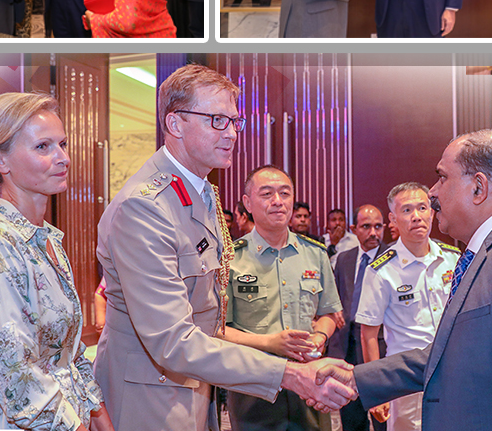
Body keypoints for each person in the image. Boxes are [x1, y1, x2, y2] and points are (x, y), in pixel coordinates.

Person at [94, 64, 355, 431]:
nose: (232, 134)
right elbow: (174, 342)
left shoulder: (200, 194)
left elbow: (209, 320)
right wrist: (289, 374)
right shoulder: (145, 207)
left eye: (235, 121)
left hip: (196, 392)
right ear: (176, 124)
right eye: (217, 120)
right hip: (151, 400)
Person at [318, 130, 492, 430]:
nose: (432, 192)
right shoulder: (485, 253)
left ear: (478, 188)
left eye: (442, 177)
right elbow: (447, 354)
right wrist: (357, 378)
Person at [0, 92, 113, 431]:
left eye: (63, 144)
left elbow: (69, 359)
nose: (63, 158)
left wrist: (100, 420)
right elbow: (17, 381)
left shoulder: (48, 240)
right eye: (43, 147)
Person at [224, 166, 342, 431]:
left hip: (310, 386)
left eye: (284, 193)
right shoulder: (231, 258)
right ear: (247, 203)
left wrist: (319, 337)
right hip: (252, 387)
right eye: (266, 194)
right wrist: (269, 342)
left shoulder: (315, 254)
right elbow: (218, 330)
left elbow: (329, 313)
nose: (277, 201)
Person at [354, 183, 460, 430]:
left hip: (451, 370)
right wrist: (377, 386)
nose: (416, 217)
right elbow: (368, 334)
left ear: (432, 213)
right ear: (393, 219)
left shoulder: (453, 259)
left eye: (422, 208)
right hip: (406, 377)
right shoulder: (382, 270)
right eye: (407, 210)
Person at [328, 205, 388, 431]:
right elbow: (336, 298)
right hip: (348, 345)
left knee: (383, 417)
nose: (373, 232)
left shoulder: (392, 257)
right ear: (354, 229)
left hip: (380, 345)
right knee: (352, 417)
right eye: (366, 227)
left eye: (378, 227)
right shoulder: (344, 259)